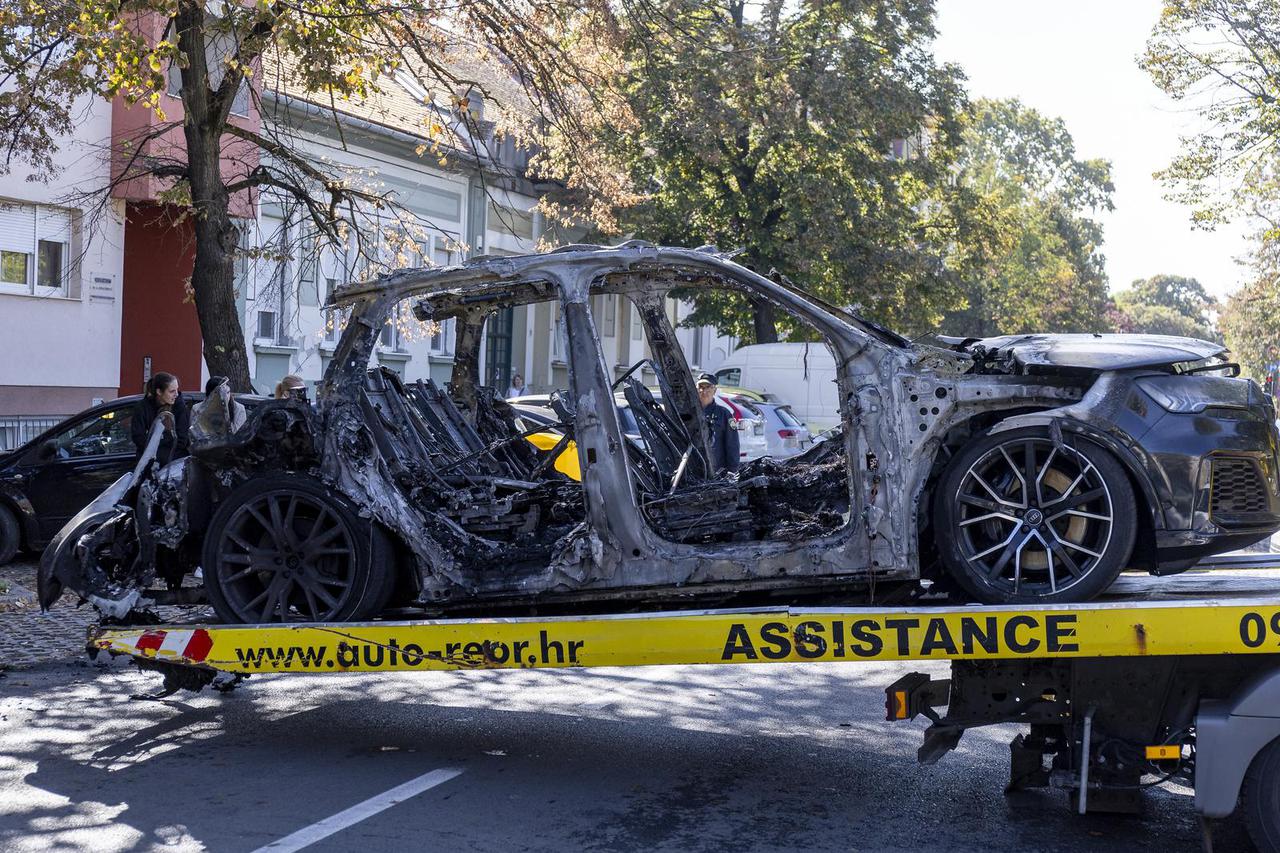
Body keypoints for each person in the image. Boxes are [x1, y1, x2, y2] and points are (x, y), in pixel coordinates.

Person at [131, 372, 190, 464]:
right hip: (148, 463)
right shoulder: (142, 407)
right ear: (159, 392)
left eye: (177, 390)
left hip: (173, 464)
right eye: (172, 391)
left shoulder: (179, 407)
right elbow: (138, 438)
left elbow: (182, 440)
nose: (176, 394)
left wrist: (158, 443)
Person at [696, 372, 739, 474]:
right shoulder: (689, 413)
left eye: (708, 387)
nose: (704, 390)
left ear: (714, 390)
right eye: (701, 387)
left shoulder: (724, 414)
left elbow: (732, 444)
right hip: (692, 471)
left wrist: (732, 471)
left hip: (716, 472)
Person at [190, 376, 247, 442]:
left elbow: (237, 435)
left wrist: (225, 412)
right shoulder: (197, 409)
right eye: (222, 393)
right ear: (211, 395)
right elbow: (195, 435)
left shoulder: (238, 409)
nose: (226, 396)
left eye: (228, 392)